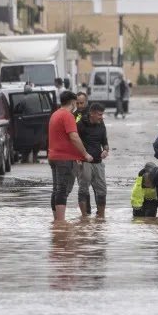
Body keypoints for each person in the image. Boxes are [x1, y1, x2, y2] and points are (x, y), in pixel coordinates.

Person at [48, 91, 94, 222]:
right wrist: (85, 154)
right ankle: (61, 223)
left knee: (56, 189)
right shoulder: (67, 116)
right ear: (73, 102)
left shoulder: (55, 114)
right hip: (64, 159)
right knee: (62, 189)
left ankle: (56, 221)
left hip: (53, 157)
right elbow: (74, 137)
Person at [77, 102, 109, 218]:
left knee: (102, 190)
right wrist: (78, 158)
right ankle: (84, 217)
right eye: (99, 115)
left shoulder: (101, 124)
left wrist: (106, 150)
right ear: (91, 114)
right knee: (83, 189)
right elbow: (74, 142)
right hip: (84, 162)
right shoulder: (80, 125)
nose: (101, 117)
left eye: (102, 115)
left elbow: (105, 142)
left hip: (98, 162)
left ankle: (101, 217)